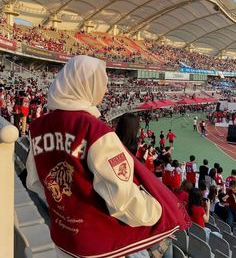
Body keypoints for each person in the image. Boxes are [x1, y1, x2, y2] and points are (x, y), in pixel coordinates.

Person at [26, 56, 190, 258]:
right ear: (87, 85)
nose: (104, 90)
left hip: (62, 237)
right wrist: (156, 211)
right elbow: (121, 199)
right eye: (101, 84)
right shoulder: (96, 131)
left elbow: (34, 182)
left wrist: (65, 211)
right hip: (97, 246)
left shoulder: (37, 127)